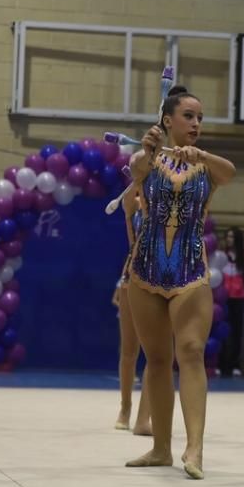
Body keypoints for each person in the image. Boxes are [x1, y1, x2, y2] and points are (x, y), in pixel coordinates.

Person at [124, 85, 236, 479]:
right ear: (168, 120)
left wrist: (201, 154)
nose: (196, 124)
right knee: (155, 359)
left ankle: (195, 449)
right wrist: (149, 148)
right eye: (189, 116)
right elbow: (135, 168)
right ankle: (160, 449)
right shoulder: (149, 159)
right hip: (146, 272)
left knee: (189, 351)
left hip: (189, 272)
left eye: (200, 118)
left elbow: (231, 173)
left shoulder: (206, 166)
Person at [112, 185, 151, 435]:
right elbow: (127, 200)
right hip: (133, 277)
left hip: (160, 280)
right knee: (129, 350)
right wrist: (138, 174)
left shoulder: (165, 203)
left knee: (157, 355)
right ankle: (125, 407)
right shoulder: (136, 203)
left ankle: (144, 415)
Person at [219, 227, 244, 377]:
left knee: (238, 333)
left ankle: (235, 364)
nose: (229, 239)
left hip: (239, 299)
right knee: (222, 331)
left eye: (232, 237)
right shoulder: (221, 256)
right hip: (223, 299)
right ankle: (220, 364)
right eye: (227, 237)